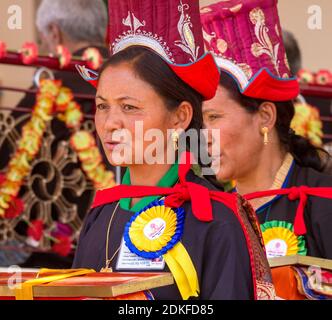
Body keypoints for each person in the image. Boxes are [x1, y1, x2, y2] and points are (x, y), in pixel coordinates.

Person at [73, 0, 275, 300]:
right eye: (103, 106)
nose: (110, 123)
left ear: (180, 117)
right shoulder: (101, 212)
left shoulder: (216, 219)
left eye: (129, 107)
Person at [201, 0, 332, 259]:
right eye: (199, 123)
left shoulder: (323, 200)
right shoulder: (212, 213)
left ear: (265, 116)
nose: (202, 137)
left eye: (214, 117)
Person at [0, 0, 109, 269]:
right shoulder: (129, 78)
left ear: (54, 33)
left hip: (51, 248)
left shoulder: (52, 84)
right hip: (121, 232)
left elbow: (8, 160)